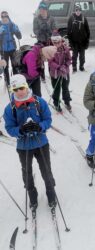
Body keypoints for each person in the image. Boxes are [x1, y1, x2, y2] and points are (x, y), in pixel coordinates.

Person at [3, 74, 57, 209]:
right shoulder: (10, 108)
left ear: (26, 87)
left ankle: (51, 193)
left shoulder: (39, 102)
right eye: (15, 90)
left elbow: (48, 119)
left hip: (41, 143)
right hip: (24, 146)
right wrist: (20, 130)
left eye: (21, 88)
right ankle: (32, 195)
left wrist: (40, 127)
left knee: (46, 170)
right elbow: (9, 128)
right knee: (26, 172)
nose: (19, 92)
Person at [33, 1, 57, 82]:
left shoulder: (52, 18)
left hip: (50, 41)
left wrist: (49, 30)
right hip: (40, 41)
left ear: (46, 10)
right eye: (40, 9)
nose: (42, 11)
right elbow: (35, 30)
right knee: (41, 59)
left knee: (51, 58)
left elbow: (55, 29)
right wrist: (40, 30)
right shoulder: (36, 19)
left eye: (43, 9)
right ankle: (42, 75)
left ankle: (51, 74)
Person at [48, 33, 72, 112]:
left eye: (58, 42)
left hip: (64, 72)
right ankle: (56, 103)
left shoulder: (65, 49)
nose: (57, 44)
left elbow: (69, 59)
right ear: (52, 42)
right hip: (55, 73)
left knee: (65, 87)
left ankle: (67, 101)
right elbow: (50, 62)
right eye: (55, 42)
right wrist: (58, 67)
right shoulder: (50, 50)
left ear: (61, 41)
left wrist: (65, 65)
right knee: (56, 88)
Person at [0, 11, 22, 85]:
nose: (4, 18)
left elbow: (19, 37)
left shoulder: (12, 25)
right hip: (3, 50)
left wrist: (17, 30)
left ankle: (15, 80)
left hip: (12, 49)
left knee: (15, 65)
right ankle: (7, 81)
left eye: (5, 16)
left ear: (8, 17)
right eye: (2, 17)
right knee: (5, 66)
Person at [67, 4, 90, 72]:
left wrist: (87, 41)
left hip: (82, 41)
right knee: (74, 55)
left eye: (79, 10)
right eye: (77, 10)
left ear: (81, 11)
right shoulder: (71, 18)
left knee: (82, 56)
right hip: (74, 41)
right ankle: (74, 67)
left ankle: (81, 66)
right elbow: (69, 31)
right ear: (75, 11)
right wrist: (70, 42)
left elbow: (87, 30)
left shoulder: (84, 18)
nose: (78, 12)